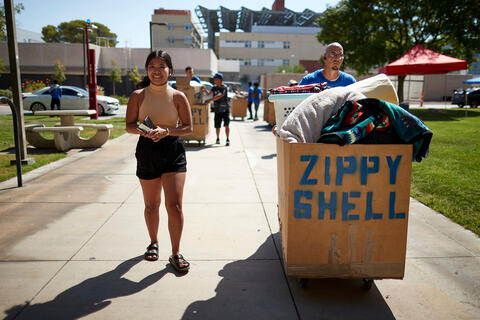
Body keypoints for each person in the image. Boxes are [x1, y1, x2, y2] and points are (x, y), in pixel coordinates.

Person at [126, 50, 193, 272]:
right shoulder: (138, 96)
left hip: (172, 149)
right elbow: (129, 125)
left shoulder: (178, 96)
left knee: (174, 206)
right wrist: (145, 132)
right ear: (147, 70)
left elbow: (188, 127)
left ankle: (176, 253)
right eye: (152, 66)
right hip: (147, 150)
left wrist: (167, 131)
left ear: (169, 70)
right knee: (151, 205)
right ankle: (153, 242)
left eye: (161, 66)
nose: (157, 70)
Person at [203, 72, 230, 146]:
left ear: (220, 80)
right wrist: (204, 88)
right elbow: (208, 93)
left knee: (226, 125)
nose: (214, 80)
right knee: (217, 125)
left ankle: (227, 139)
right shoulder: (214, 87)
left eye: (215, 79)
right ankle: (217, 138)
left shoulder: (224, 87)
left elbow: (219, 95)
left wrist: (209, 100)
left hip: (225, 109)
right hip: (217, 109)